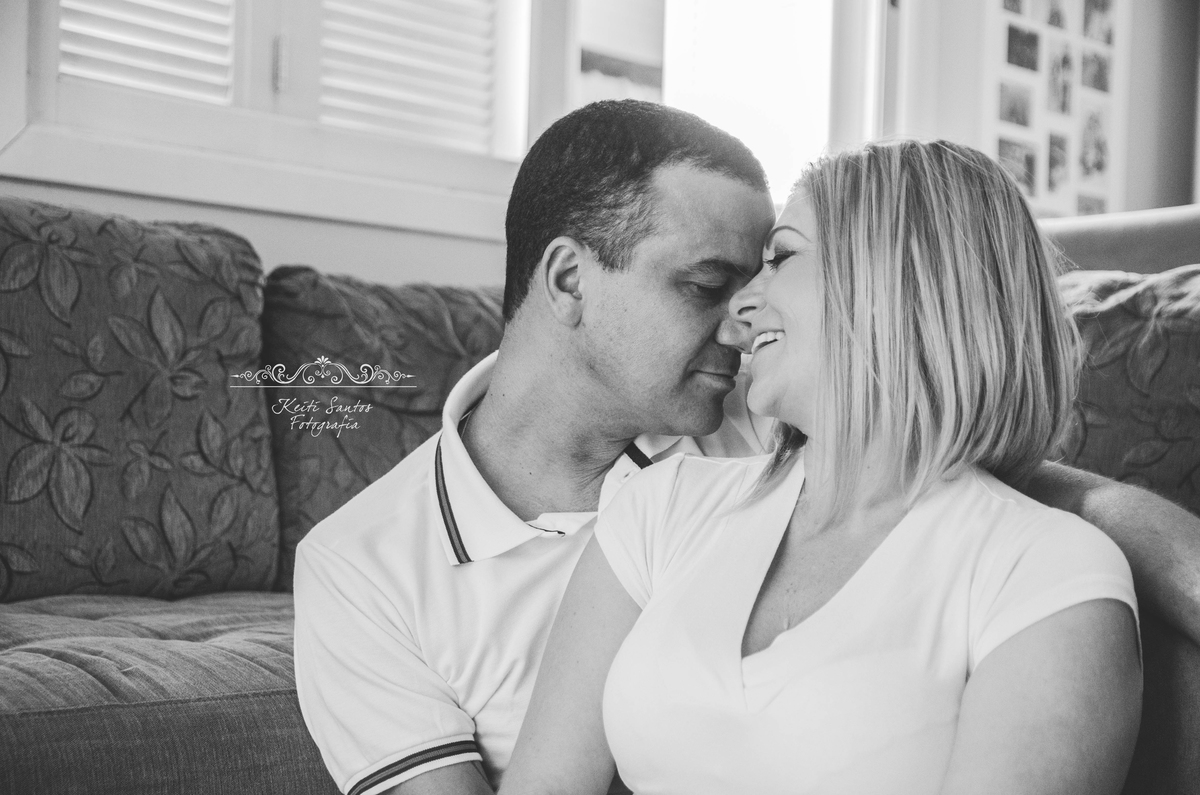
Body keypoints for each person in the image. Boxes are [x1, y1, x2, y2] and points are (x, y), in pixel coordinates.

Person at [293, 101, 1199, 795]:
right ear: (569, 279)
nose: (741, 316)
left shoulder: (746, 418)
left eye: (774, 262)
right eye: (705, 284)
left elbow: (928, 455)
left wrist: (1136, 535)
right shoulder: (363, 569)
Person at [499, 140, 1143, 795]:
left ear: (898, 277)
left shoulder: (1043, 569)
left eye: (781, 257)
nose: (739, 309)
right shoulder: (660, 507)